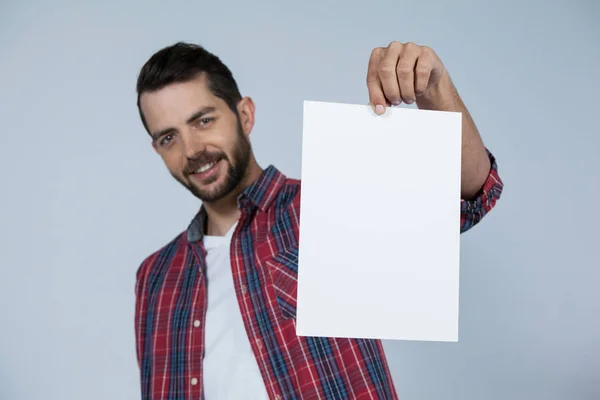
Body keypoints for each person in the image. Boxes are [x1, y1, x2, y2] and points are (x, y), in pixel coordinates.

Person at [134, 41, 503, 400]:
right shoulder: (155, 276)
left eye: (203, 120)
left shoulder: (324, 207)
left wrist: (434, 87)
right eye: (169, 137)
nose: (192, 150)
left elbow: (468, 197)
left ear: (244, 115)